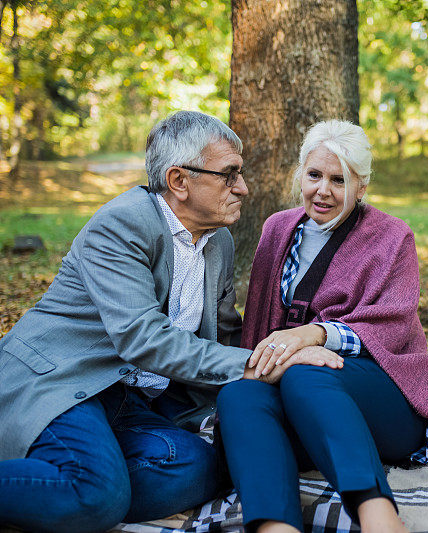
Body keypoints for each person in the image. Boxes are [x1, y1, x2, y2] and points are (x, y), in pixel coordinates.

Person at [0, 111, 342, 533]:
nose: (243, 187)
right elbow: (143, 339)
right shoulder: (123, 223)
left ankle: (68, 485)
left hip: (128, 400)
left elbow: (225, 331)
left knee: (200, 468)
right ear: (179, 181)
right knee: (97, 495)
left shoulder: (219, 241)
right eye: (229, 175)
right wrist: (260, 365)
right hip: (60, 384)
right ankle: (88, 490)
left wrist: (280, 366)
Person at [216, 119, 428, 533]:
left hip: (386, 401)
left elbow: (391, 326)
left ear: (361, 187)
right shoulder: (277, 230)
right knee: (238, 397)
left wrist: (314, 336)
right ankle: (275, 526)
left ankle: (378, 515)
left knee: (307, 373)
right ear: (300, 174)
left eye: (339, 180)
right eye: (314, 175)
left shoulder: (392, 237)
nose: (323, 190)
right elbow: (259, 327)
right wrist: (274, 362)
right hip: (300, 404)